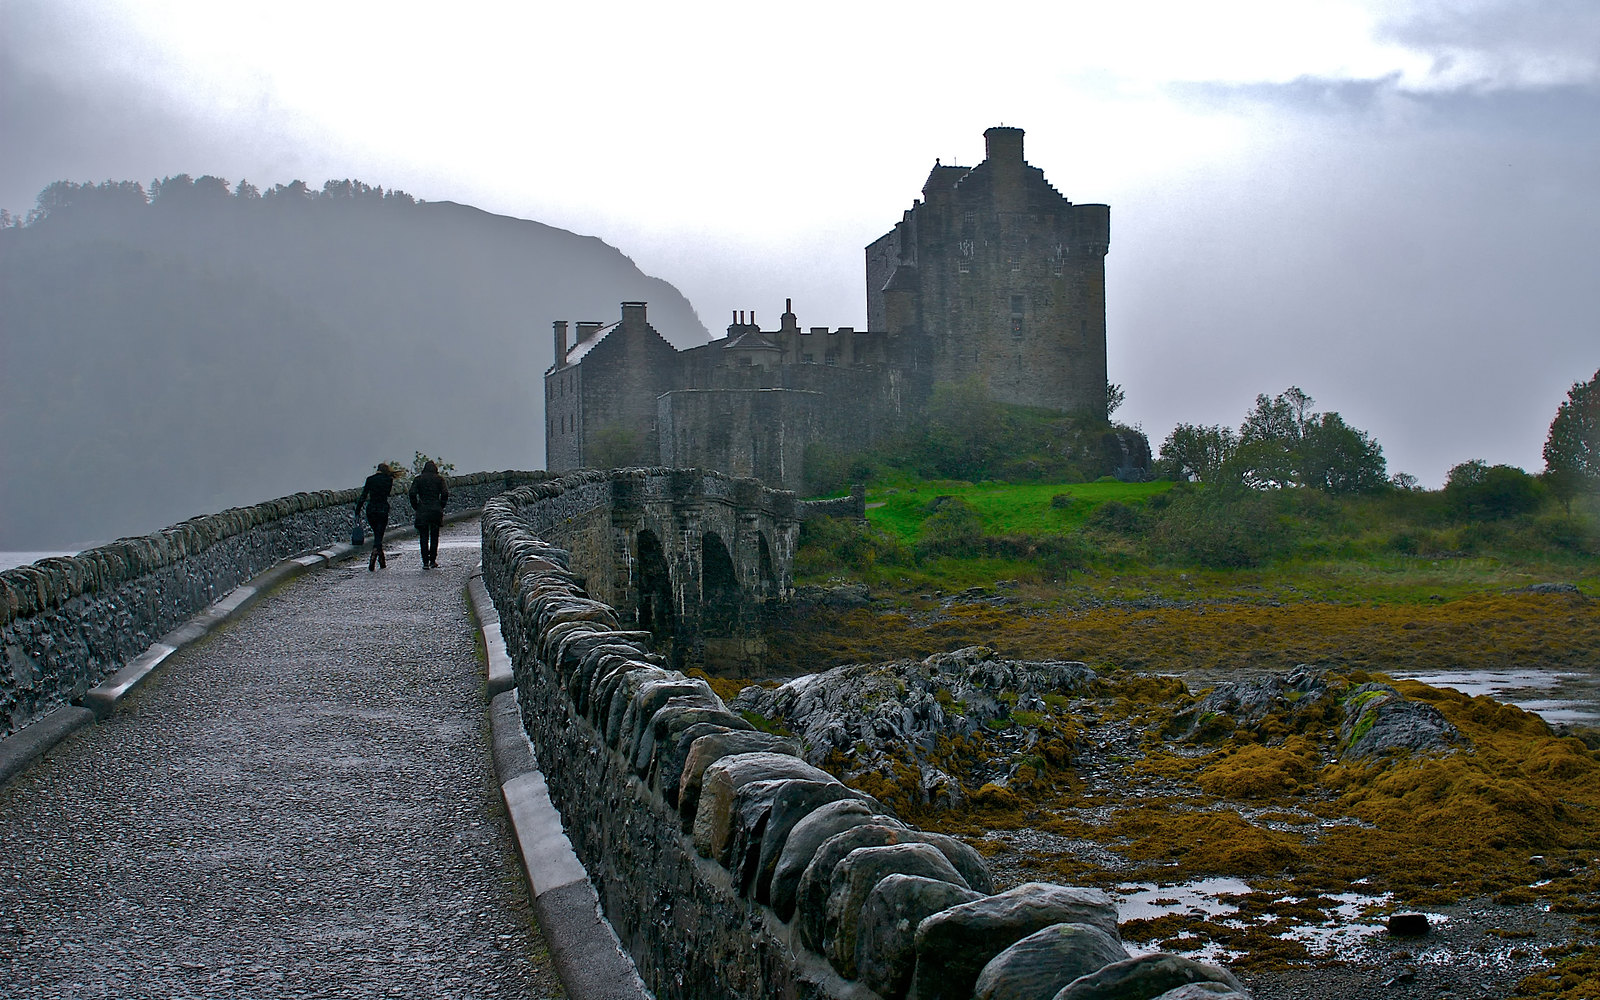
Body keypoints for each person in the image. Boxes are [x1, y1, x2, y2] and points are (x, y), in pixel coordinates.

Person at [408, 460, 449, 569]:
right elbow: (445, 493)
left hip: (422, 511)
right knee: (434, 536)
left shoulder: (418, 479)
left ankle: (425, 562)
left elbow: (412, 493)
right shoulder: (439, 479)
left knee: (423, 536)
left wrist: (416, 506)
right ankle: (433, 560)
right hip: (435, 511)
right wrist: (441, 505)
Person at [355, 463, 395, 571]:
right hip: (383, 508)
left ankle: (381, 558)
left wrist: (358, 510)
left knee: (377, 533)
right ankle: (375, 553)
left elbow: (364, 495)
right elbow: (387, 493)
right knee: (379, 533)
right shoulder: (389, 480)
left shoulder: (370, 479)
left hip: (371, 509)